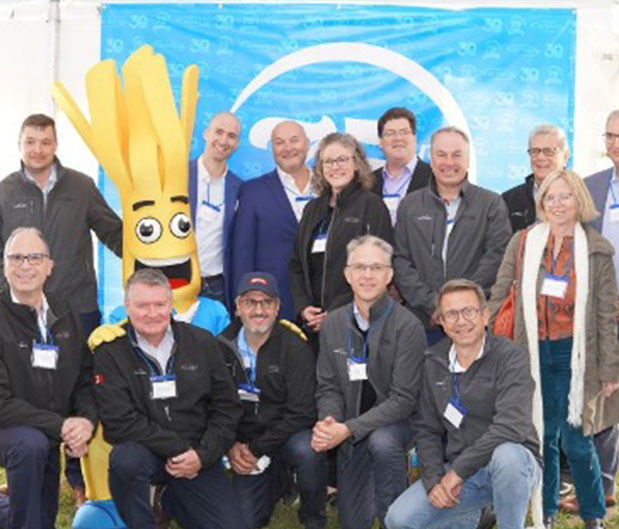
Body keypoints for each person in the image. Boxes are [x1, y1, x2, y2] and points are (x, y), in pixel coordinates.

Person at [0, 113, 122, 503]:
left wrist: (155, 263)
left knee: (78, 390)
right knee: (29, 387)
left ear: (56, 145)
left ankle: (80, 480)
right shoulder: (5, 191)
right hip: (21, 315)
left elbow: (114, 233)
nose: (38, 149)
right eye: (30, 141)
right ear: (20, 144)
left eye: (45, 142)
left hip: (76, 310)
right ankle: (30, 462)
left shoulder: (81, 187)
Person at [489, 169, 619, 529]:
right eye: (550, 196)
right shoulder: (524, 242)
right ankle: (544, 513)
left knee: (577, 442)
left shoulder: (597, 249)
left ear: (580, 200)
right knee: (541, 437)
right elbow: (500, 293)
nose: (557, 204)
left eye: (566, 196)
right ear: (540, 202)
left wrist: (610, 370)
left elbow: (607, 314)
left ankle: (593, 516)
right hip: (530, 354)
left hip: (576, 357)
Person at [92, 269, 244, 529]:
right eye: (142, 305)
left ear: (171, 304)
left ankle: (168, 501)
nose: (152, 314)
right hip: (145, 451)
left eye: (160, 304)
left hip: (197, 455)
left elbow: (227, 407)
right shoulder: (110, 352)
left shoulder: (203, 342)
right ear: (127, 306)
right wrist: (178, 449)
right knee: (125, 460)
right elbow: (118, 421)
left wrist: (202, 455)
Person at [385, 279, 542, 529]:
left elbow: (511, 427)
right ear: (442, 323)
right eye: (451, 314)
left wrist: (456, 473)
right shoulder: (432, 363)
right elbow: (427, 429)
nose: (461, 321)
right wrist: (435, 480)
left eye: (468, 311)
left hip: (513, 467)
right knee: (399, 520)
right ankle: (475, 516)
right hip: (462, 474)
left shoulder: (510, 357)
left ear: (485, 316)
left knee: (508, 456)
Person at [312, 235, 427, 529]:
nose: (367, 275)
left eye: (376, 268)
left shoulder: (408, 325)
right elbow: (328, 386)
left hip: (397, 426)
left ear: (389, 276)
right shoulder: (333, 323)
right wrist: (330, 423)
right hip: (349, 428)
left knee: (383, 441)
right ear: (347, 274)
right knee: (353, 523)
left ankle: (397, 519)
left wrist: (348, 429)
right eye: (360, 267)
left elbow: (403, 400)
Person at [0, 227, 96, 529]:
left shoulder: (66, 313)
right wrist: (62, 425)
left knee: (42, 518)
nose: (25, 265)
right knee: (31, 444)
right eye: (16, 258)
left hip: (48, 432)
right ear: (4, 266)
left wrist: (85, 421)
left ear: (49, 266)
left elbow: (85, 378)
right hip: (13, 429)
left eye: (34, 257)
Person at [218, 272, 327, 529]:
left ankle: (313, 519)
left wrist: (257, 449)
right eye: (250, 302)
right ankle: (278, 481)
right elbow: (213, 406)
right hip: (244, 442)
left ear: (278, 307)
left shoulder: (295, 348)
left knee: (309, 450)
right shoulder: (219, 347)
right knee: (243, 521)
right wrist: (232, 445)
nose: (258, 310)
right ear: (237, 307)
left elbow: (303, 412)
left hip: (287, 436)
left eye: (266, 302)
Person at [393, 126, 511, 345]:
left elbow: (497, 257)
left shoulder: (491, 204)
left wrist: (460, 305)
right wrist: (433, 303)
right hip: (423, 320)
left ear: (468, 160)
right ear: (431, 158)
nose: (449, 162)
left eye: (457, 155)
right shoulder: (410, 205)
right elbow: (401, 260)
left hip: (472, 323)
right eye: (441, 155)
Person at [290, 132, 392, 340]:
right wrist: (304, 307)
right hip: (312, 323)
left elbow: (379, 268)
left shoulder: (371, 205)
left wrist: (336, 311)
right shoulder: (312, 209)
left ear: (356, 163)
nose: (335, 167)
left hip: (355, 321)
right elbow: (296, 264)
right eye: (328, 161)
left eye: (342, 159)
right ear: (320, 168)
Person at [231, 120, 315, 320]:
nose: (288, 148)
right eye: (279, 142)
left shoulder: (328, 187)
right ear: (272, 149)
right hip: (272, 303)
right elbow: (242, 253)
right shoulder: (253, 191)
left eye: (294, 140)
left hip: (322, 303)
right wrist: (244, 301)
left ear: (308, 143)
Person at [582, 108, 619, 512]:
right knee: (603, 394)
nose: (614, 144)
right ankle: (602, 483)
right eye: (609, 136)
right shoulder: (591, 187)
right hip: (596, 312)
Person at [189, 112, 243, 309]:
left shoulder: (239, 189)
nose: (223, 140)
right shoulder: (179, 175)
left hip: (216, 286)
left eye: (231, 136)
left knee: (214, 340)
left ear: (237, 144)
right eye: (218, 132)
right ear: (206, 133)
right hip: (177, 281)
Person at [502, 124, 570, 232]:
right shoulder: (508, 200)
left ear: (565, 156)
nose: (541, 157)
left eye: (548, 151)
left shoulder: (579, 197)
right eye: (535, 151)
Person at [371, 107, 433, 225]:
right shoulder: (369, 181)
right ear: (380, 142)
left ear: (414, 138)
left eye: (404, 132)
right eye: (390, 133)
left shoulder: (434, 177)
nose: (398, 138)